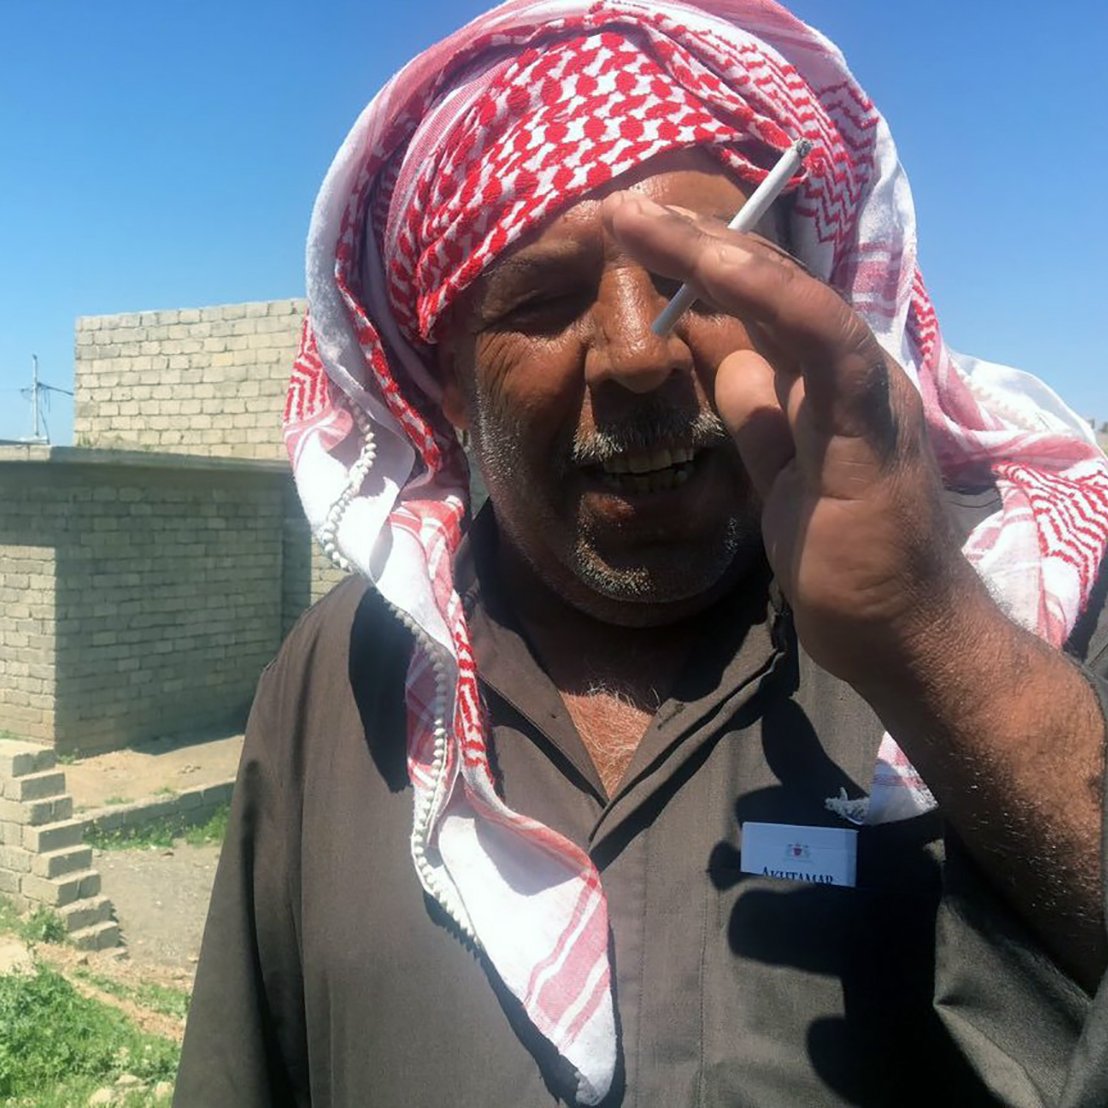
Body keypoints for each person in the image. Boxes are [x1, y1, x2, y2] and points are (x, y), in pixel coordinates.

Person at [175, 1, 1108, 1104]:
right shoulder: (337, 683)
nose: (637, 350)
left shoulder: (1014, 614)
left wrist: (930, 640)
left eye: (703, 276)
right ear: (446, 381)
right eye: (545, 297)